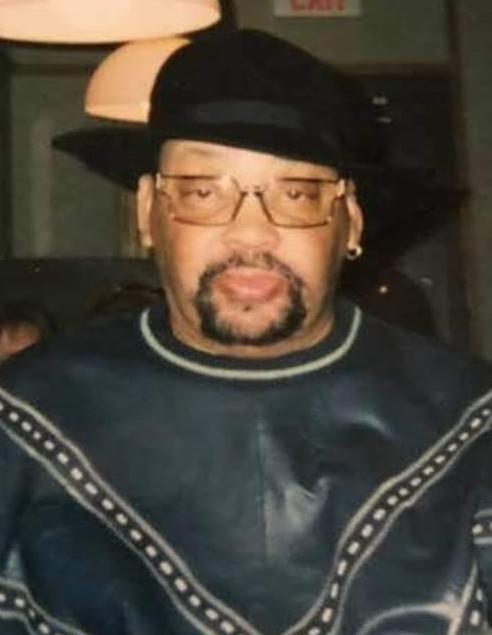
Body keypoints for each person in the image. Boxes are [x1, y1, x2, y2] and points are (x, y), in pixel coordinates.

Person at [0, 28, 491, 635]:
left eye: (298, 193)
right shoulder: (27, 416)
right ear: (148, 211)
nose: (251, 233)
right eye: (202, 191)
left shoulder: (471, 422)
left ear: (350, 221)